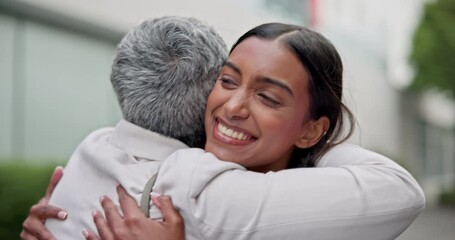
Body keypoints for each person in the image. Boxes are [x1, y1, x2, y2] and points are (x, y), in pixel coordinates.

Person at [21, 21, 425, 240]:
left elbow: (401, 191)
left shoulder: (197, 188)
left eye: (268, 98)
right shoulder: (184, 178)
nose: (232, 106)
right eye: (228, 81)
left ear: (312, 128)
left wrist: (312, 142)